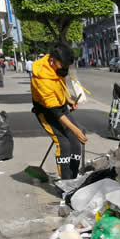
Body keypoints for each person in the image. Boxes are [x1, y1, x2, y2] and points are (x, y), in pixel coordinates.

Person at [31, 43, 87, 179]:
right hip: (47, 112)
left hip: (60, 108)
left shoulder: (57, 68)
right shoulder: (41, 79)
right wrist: (75, 129)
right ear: (53, 61)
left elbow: (61, 86)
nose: (65, 69)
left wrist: (69, 100)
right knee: (64, 144)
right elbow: (55, 112)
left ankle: (74, 176)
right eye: (64, 65)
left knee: (75, 142)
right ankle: (66, 182)